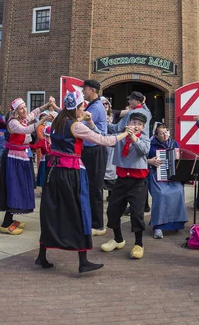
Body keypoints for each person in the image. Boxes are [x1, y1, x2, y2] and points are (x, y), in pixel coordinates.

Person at [35, 91, 128, 271]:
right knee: (79, 212)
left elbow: (54, 129)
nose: (83, 109)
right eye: (81, 107)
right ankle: (83, 261)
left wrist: (85, 120)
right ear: (76, 108)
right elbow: (104, 139)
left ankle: (41, 255)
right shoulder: (75, 127)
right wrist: (125, 133)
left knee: (52, 212)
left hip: (54, 172)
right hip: (71, 174)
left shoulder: (57, 121)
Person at [0, 97, 56, 235]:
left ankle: (11, 218)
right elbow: (26, 130)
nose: (25, 110)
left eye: (25, 107)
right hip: (14, 158)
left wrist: (47, 105)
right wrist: (42, 121)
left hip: (21, 157)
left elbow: (34, 112)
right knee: (14, 187)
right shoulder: (13, 123)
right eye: (21, 108)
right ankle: (6, 222)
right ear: (16, 111)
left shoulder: (22, 119)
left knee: (20, 187)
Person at [101, 112, 151, 259]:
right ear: (128, 123)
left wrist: (134, 138)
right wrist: (92, 124)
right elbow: (105, 138)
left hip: (138, 182)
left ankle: (138, 244)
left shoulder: (144, 138)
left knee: (136, 214)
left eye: (139, 124)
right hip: (121, 179)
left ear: (142, 127)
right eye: (133, 122)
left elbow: (145, 150)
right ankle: (117, 239)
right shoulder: (120, 137)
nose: (135, 126)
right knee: (112, 210)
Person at [147, 124, 188, 239]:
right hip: (156, 175)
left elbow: (179, 159)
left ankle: (175, 223)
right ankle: (158, 226)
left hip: (172, 176)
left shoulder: (173, 143)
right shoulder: (150, 145)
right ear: (156, 135)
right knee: (161, 194)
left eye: (167, 132)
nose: (165, 135)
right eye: (162, 133)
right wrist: (150, 161)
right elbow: (141, 159)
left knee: (179, 191)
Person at [80, 79, 109, 236]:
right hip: (91, 150)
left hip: (95, 150)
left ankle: (98, 225)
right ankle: (91, 219)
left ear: (92, 90)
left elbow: (82, 127)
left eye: (84, 89)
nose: (83, 91)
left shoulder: (96, 108)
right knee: (90, 186)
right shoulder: (92, 105)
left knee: (95, 187)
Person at [101, 97, 117, 197]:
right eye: (103, 104)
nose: (105, 105)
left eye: (106, 103)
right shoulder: (97, 115)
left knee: (112, 166)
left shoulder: (113, 114)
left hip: (112, 143)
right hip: (101, 142)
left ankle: (112, 195)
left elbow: (126, 112)